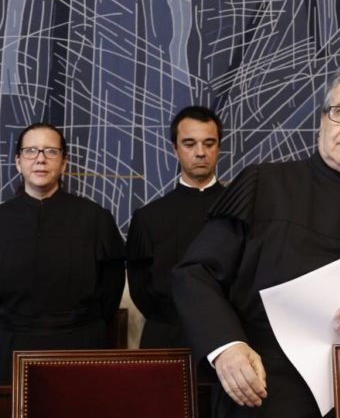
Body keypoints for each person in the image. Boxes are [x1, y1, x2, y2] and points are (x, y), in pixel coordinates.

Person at [171, 65, 340, 418]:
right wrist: (227, 348)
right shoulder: (264, 184)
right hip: (266, 392)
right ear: (324, 120)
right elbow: (194, 273)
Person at [0, 123, 125, 384]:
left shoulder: (95, 218)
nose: (40, 159)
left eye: (51, 151)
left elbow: (111, 285)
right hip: (9, 344)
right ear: (18, 162)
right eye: (31, 151)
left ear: (64, 163)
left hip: (80, 341)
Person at [127, 106, 224, 349]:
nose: (200, 152)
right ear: (175, 148)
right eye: (189, 144)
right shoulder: (148, 217)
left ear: (219, 147)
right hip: (165, 336)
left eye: (209, 143)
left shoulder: (242, 209)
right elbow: (140, 289)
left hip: (229, 337)